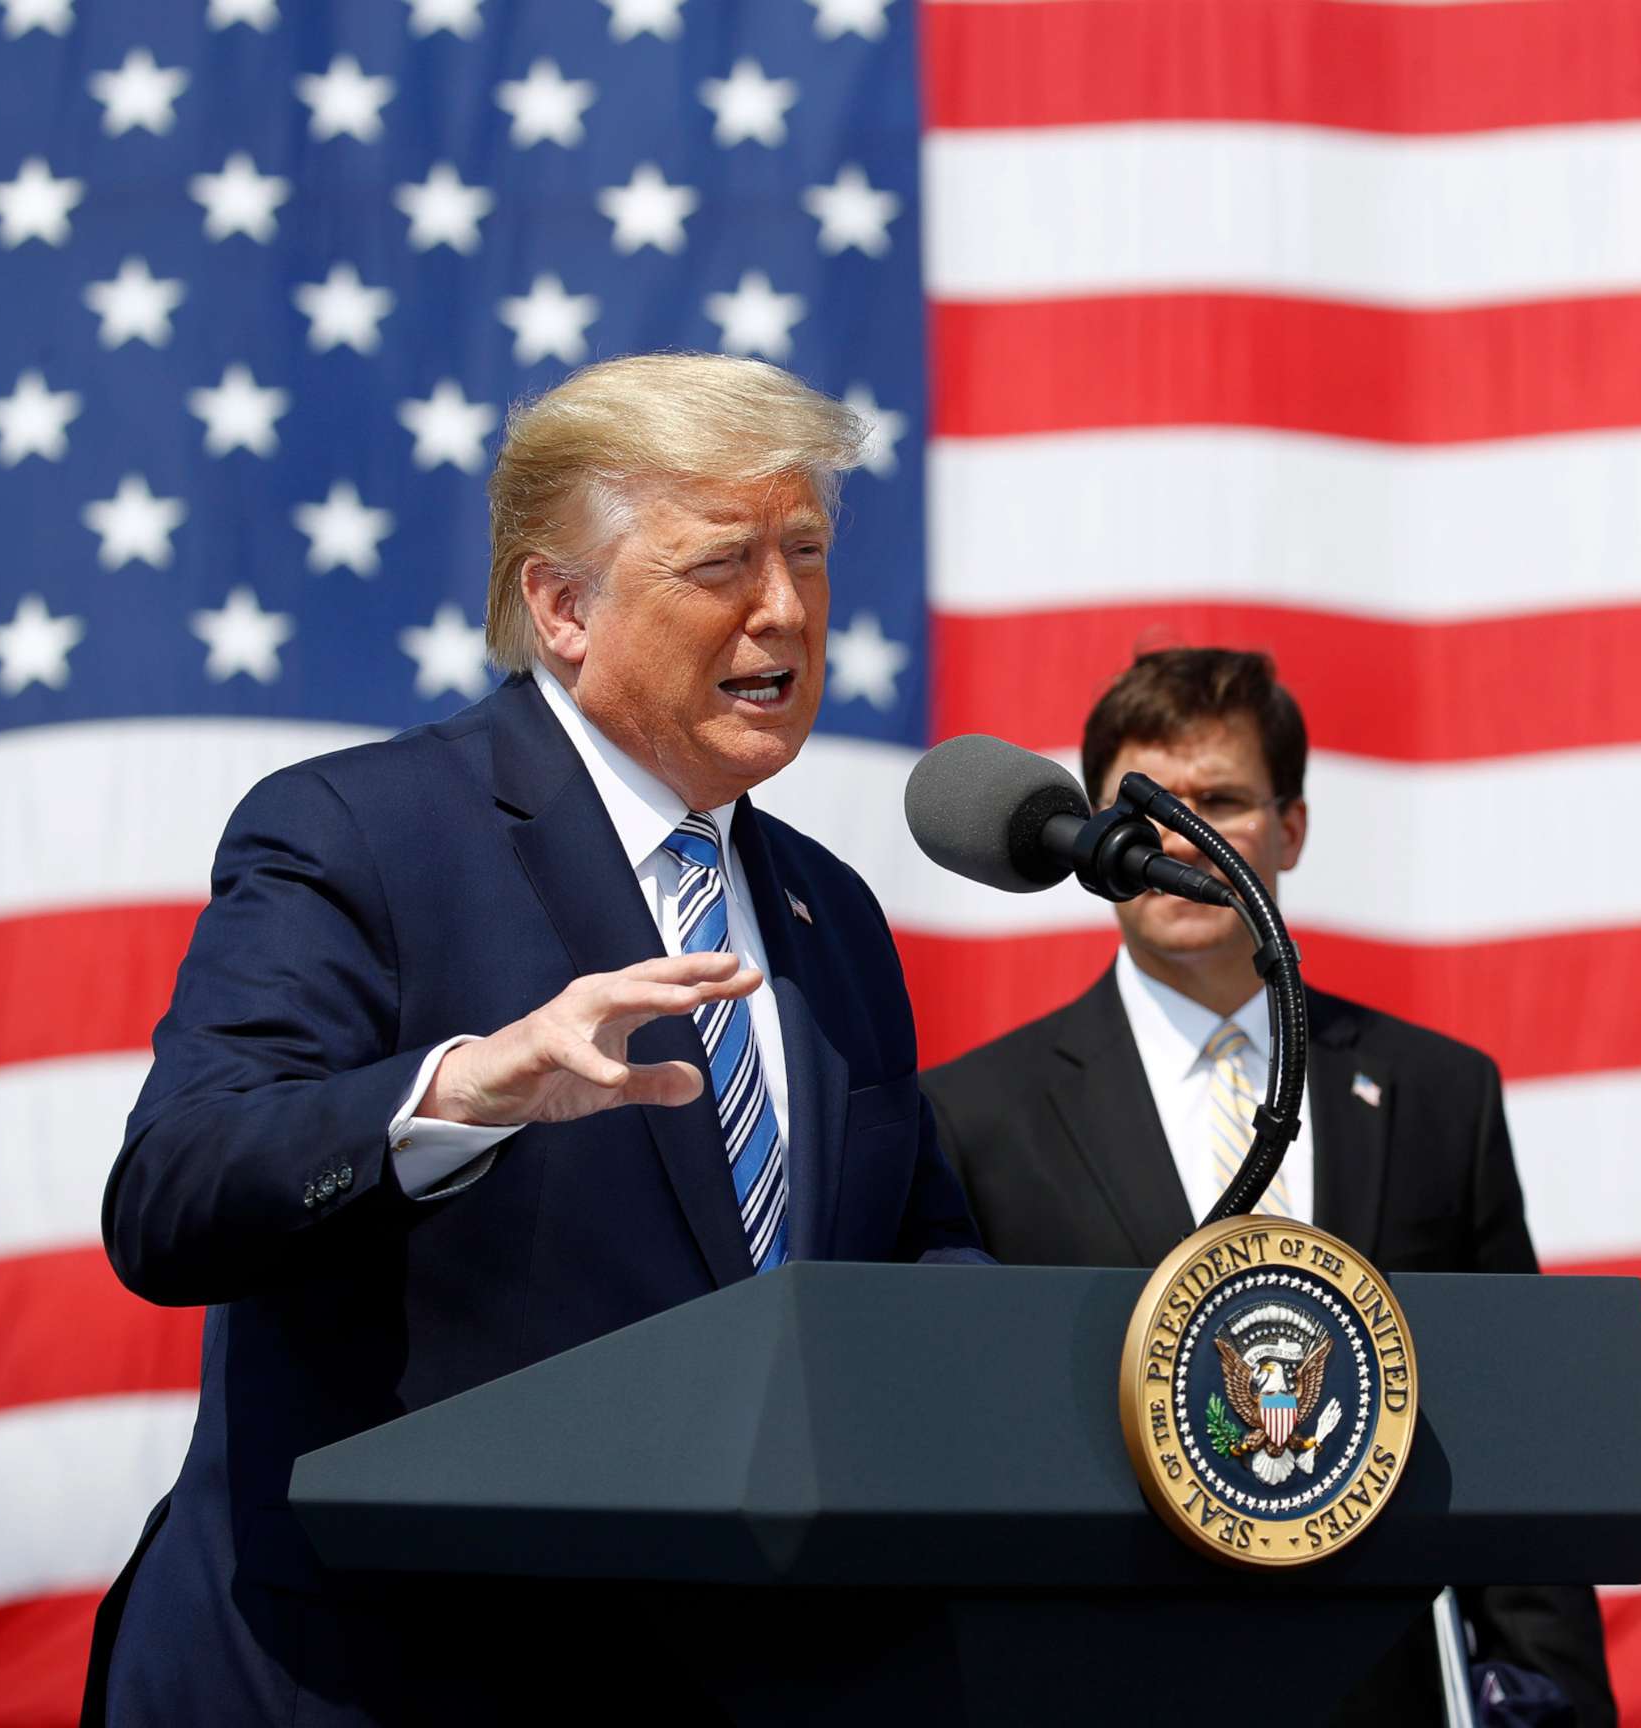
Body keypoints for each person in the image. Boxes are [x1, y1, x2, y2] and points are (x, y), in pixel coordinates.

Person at [86, 354, 985, 1727]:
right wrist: (460, 1093)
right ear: (562, 606)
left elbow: (900, 1251)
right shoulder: (359, 837)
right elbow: (174, 1195)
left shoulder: (830, 913)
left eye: (806, 554)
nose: (788, 611)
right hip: (373, 1679)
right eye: (721, 565)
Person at [922, 648, 1617, 1727]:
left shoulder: (1439, 1094)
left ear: (1288, 830)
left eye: (1221, 803)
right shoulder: (974, 1116)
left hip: (1385, 1692)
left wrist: (1551, 1700)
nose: (1176, 837)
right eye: (1144, 808)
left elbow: (1511, 1438)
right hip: (1097, 1690)